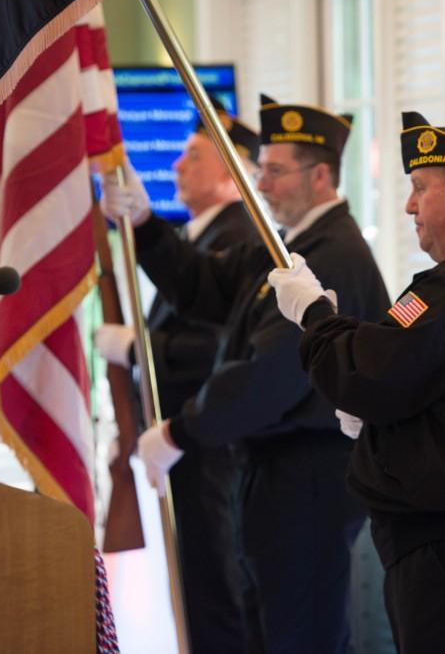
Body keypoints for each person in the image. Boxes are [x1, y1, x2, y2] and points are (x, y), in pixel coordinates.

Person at [100, 94, 390, 653]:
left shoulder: (330, 255)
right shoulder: (291, 245)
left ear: (322, 175)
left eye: (275, 173)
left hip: (308, 476)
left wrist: (180, 431)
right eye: (261, 171)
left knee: (299, 636)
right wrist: (144, 221)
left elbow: (270, 374)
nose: (262, 184)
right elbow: (206, 286)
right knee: (268, 628)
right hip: (274, 475)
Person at [267, 111, 445, 654]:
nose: (408, 205)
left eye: (420, 189)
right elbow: (417, 379)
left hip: (444, 538)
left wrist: (313, 313)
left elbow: (367, 371)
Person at [95, 109, 259, 653]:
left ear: (232, 173)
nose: (176, 164)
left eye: (193, 155)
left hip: (214, 450)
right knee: (196, 592)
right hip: (186, 447)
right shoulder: (201, 234)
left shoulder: (239, 235)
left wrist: (140, 350)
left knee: (216, 595)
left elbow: (223, 348)